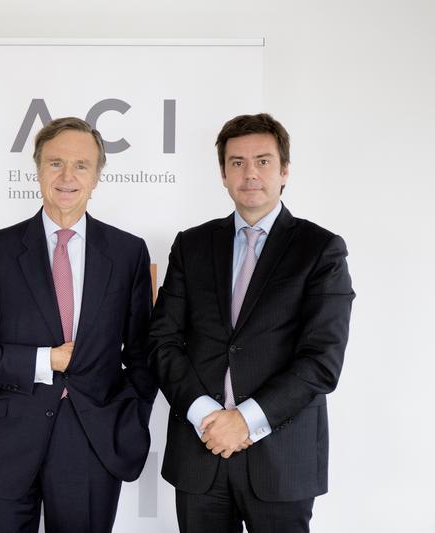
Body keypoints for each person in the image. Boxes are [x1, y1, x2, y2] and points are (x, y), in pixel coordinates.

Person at [0, 117, 156, 533]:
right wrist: (46, 360)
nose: (67, 176)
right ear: (38, 169)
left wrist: (125, 418)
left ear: (97, 176)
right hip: (5, 444)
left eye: (81, 165)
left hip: (93, 441)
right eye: (55, 163)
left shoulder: (128, 252)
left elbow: (144, 356)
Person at [150, 113, 354, 532]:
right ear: (223, 174)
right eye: (237, 162)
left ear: (284, 171)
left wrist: (244, 420)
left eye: (263, 161)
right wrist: (206, 415)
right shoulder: (191, 245)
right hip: (201, 452)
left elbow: (322, 360)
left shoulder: (320, 249)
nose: (250, 174)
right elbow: (162, 341)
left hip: (281, 459)